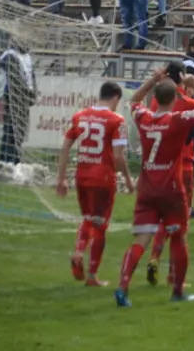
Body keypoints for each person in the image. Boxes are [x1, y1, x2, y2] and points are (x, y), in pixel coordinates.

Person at [116, 68, 194, 307]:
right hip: (171, 189)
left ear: (155, 99)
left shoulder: (143, 117)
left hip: (147, 188)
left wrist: (151, 80)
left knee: (141, 239)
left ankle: (122, 288)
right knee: (179, 238)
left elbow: (133, 100)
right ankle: (178, 291)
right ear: (174, 99)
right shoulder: (178, 120)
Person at [56, 81, 133, 287]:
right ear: (115, 98)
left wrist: (61, 178)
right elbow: (118, 157)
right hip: (103, 179)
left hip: (82, 175)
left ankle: (79, 251)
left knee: (87, 218)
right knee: (99, 226)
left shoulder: (80, 116)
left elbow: (64, 147)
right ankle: (92, 276)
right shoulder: (116, 120)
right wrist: (126, 177)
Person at [0, 38, 36, 164]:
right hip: (13, 97)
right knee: (12, 128)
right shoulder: (9, 56)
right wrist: (28, 93)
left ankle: (14, 159)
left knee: (20, 129)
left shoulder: (27, 57)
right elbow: (14, 80)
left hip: (24, 97)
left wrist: (33, 93)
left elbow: (32, 76)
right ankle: (8, 160)